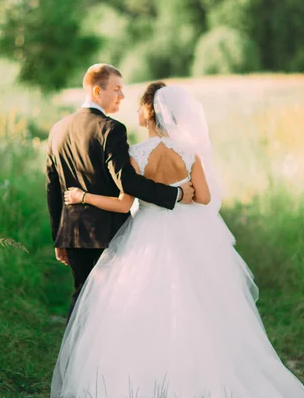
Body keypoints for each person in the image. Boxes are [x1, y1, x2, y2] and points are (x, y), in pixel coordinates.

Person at [50, 82, 304, 398]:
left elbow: (123, 204)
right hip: (189, 235)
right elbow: (206, 198)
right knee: (202, 306)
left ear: (147, 113)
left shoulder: (135, 153)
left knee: (139, 309)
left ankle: (144, 390)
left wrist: (82, 197)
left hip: (146, 235)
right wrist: (185, 194)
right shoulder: (191, 152)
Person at [46, 65, 194, 322]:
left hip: (73, 233)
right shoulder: (110, 129)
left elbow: (52, 187)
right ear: (96, 90)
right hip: (108, 232)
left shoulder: (57, 129)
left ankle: (75, 360)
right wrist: (175, 195)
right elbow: (127, 182)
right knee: (111, 302)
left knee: (81, 296)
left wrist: (59, 236)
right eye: (116, 89)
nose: (122, 97)